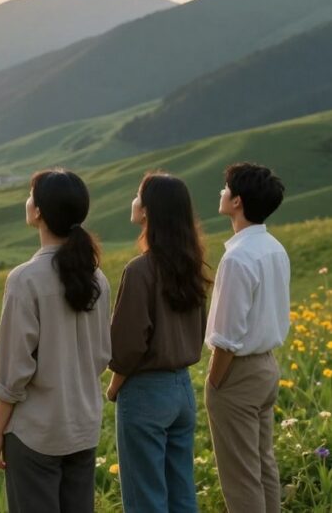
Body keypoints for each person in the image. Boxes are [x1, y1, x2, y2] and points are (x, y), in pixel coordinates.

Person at [0, 169, 111, 513]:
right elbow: (102, 356)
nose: (27, 202)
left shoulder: (25, 279)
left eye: (30, 196)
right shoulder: (97, 277)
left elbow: (12, 373)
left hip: (35, 432)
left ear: (38, 211)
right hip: (83, 426)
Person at [106, 173, 210, 512]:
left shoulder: (140, 270)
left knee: (144, 498)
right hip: (182, 390)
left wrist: (113, 387)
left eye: (138, 195)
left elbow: (128, 346)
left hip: (145, 393)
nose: (134, 201)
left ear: (149, 211)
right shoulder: (191, 267)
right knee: (181, 493)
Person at [205, 163, 289, 513]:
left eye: (225, 189)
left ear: (237, 202)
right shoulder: (274, 248)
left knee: (240, 477)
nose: (221, 194)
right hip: (267, 366)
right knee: (263, 464)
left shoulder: (236, 258)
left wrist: (213, 382)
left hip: (237, 373)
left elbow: (226, 337)